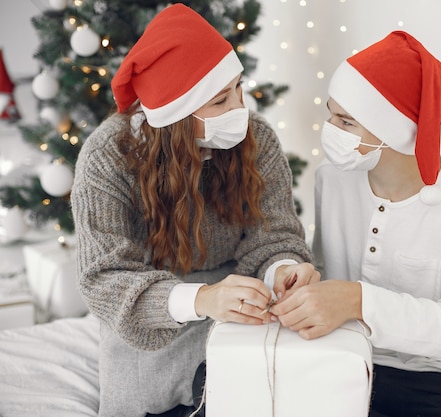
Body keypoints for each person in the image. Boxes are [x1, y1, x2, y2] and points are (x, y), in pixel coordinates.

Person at [70, 4, 318, 417]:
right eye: (221, 100)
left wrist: (282, 270)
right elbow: (103, 279)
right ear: (175, 116)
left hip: (242, 300)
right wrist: (201, 299)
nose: (240, 109)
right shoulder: (106, 158)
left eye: (239, 88)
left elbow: (275, 236)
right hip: (150, 313)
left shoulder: (257, 140)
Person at [269, 31, 441, 417]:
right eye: (332, 114)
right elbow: (327, 270)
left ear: (396, 132)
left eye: (346, 121)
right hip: (346, 365)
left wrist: (360, 301)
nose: (330, 130)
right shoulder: (334, 178)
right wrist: (306, 278)